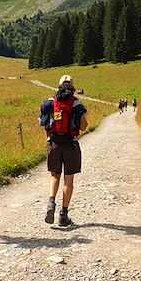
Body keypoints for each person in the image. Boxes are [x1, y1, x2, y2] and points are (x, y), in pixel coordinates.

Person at [40, 75, 88, 226]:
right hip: (71, 145)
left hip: (53, 143)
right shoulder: (76, 103)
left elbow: (42, 123)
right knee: (69, 179)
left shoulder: (50, 102)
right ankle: (63, 215)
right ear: (72, 87)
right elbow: (83, 126)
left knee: (55, 176)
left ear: (59, 86)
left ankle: (51, 202)